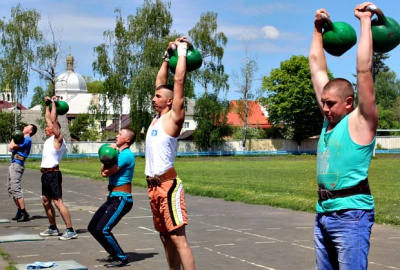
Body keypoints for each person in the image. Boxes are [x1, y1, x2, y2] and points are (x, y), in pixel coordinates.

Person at [309, 2, 378, 269]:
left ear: (349, 102)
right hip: (323, 213)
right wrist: (317, 29)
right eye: (323, 102)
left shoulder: (361, 122)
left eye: (330, 104)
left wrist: (364, 21)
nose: (324, 108)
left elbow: (364, 71)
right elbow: (316, 66)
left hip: (352, 216)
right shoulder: (330, 121)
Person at [145, 37, 195, 270]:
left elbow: (179, 80)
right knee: (165, 237)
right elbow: (161, 81)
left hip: (168, 185)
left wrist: (182, 51)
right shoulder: (156, 119)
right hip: (153, 187)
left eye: (157, 97)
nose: (153, 99)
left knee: (177, 237)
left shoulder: (173, 118)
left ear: (170, 101)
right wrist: (167, 55)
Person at [88, 128, 136, 268]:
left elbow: (106, 173)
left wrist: (108, 156)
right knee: (93, 227)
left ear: (127, 140)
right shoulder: (119, 153)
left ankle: (121, 258)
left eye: (120, 134)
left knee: (103, 229)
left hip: (122, 199)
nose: (117, 135)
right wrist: (108, 155)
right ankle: (113, 253)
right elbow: (103, 171)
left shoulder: (126, 155)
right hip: (113, 198)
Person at [39, 96, 78, 241]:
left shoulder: (58, 139)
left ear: (55, 130)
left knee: (57, 202)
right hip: (45, 175)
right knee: (45, 200)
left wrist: (54, 104)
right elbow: (48, 118)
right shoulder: (49, 139)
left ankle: (70, 230)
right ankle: (53, 227)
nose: (46, 127)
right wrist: (47, 105)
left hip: (53, 174)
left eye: (48, 127)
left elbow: (53, 121)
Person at [8, 124, 38, 222]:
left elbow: (12, 146)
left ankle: (24, 212)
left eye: (27, 127)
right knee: (11, 189)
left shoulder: (27, 140)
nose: (24, 127)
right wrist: (14, 136)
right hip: (13, 163)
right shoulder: (21, 138)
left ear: (30, 131)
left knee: (16, 188)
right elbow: (10, 148)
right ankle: (19, 210)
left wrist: (13, 137)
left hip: (17, 164)